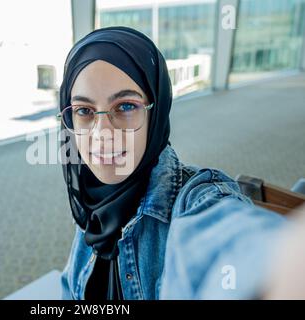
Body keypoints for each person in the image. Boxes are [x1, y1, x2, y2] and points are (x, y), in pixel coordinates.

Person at [58, 26, 286, 300]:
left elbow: (236, 243)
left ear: (158, 109)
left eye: (126, 106)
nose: (101, 135)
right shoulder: (90, 195)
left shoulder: (196, 198)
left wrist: (285, 260)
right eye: (84, 111)